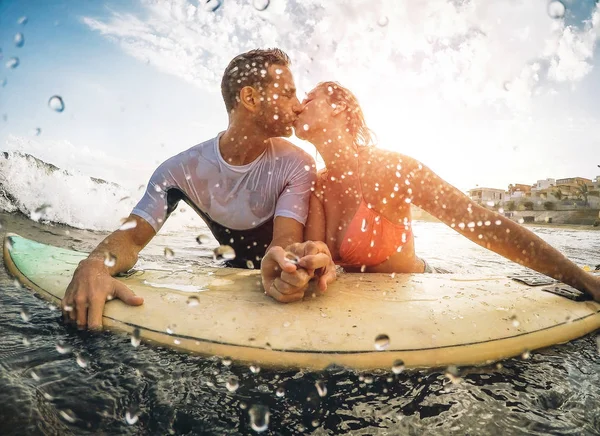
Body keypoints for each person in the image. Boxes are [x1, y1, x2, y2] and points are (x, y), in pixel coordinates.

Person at [62, 49, 336, 329]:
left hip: (264, 282)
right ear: (250, 98)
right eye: (288, 93)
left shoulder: (297, 164)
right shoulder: (180, 171)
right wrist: (94, 265)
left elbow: (286, 240)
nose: (298, 105)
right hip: (229, 274)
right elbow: (131, 240)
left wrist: (289, 266)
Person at [296, 81, 600, 301]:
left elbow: (477, 221)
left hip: (424, 288)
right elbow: (315, 251)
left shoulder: (387, 168)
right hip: (365, 306)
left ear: (339, 107)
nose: (299, 104)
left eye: (310, 98)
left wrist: (584, 281)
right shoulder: (316, 185)